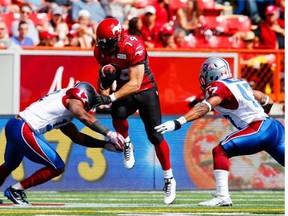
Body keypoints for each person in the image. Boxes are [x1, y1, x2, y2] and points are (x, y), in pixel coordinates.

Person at [155, 57, 284, 206]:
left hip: (260, 128)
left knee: (220, 151)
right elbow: (267, 100)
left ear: (212, 74)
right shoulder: (239, 82)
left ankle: (223, 197)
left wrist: (178, 122)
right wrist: (263, 116)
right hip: (274, 127)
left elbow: (204, 107)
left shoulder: (219, 87)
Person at [93, 18, 176, 205]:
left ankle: (169, 178)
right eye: (102, 44)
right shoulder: (100, 51)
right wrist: (105, 85)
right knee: (117, 113)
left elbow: (135, 83)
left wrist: (111, 97)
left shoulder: (133, 45)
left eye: (108, 43)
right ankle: (127, 142)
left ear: (118, 38)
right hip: (125, 91)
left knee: (155, 136)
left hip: (145, 89)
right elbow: (104, 92)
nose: (104, 48)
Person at [0, 81, 124, 205]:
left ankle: (15, 190)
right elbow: (82, 115)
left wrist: (105, 145)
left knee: (10, 165)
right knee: (57, 167)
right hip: (23, 129)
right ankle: (15, 190)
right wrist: (109, 133)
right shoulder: (73, 100)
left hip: (13, 124)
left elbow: (77, 137)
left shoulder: (62, 105)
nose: (87, 108)